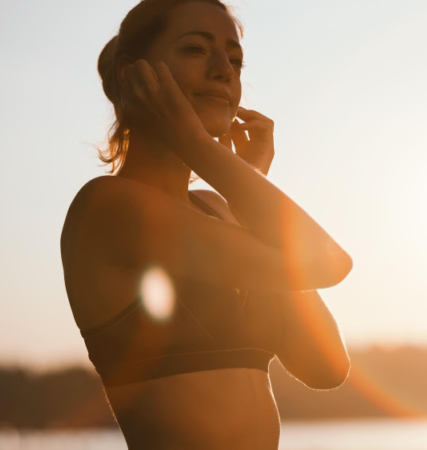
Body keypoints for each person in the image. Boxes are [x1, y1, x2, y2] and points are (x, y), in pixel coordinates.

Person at [58, 1, 353, 448]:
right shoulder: (108, 207)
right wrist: (203, 150)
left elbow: (326, 365)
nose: (224, 71)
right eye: (196, 50)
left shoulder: (218, 209)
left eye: (235, 60)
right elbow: (327, 262)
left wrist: (244, 191)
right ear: (129, 75)